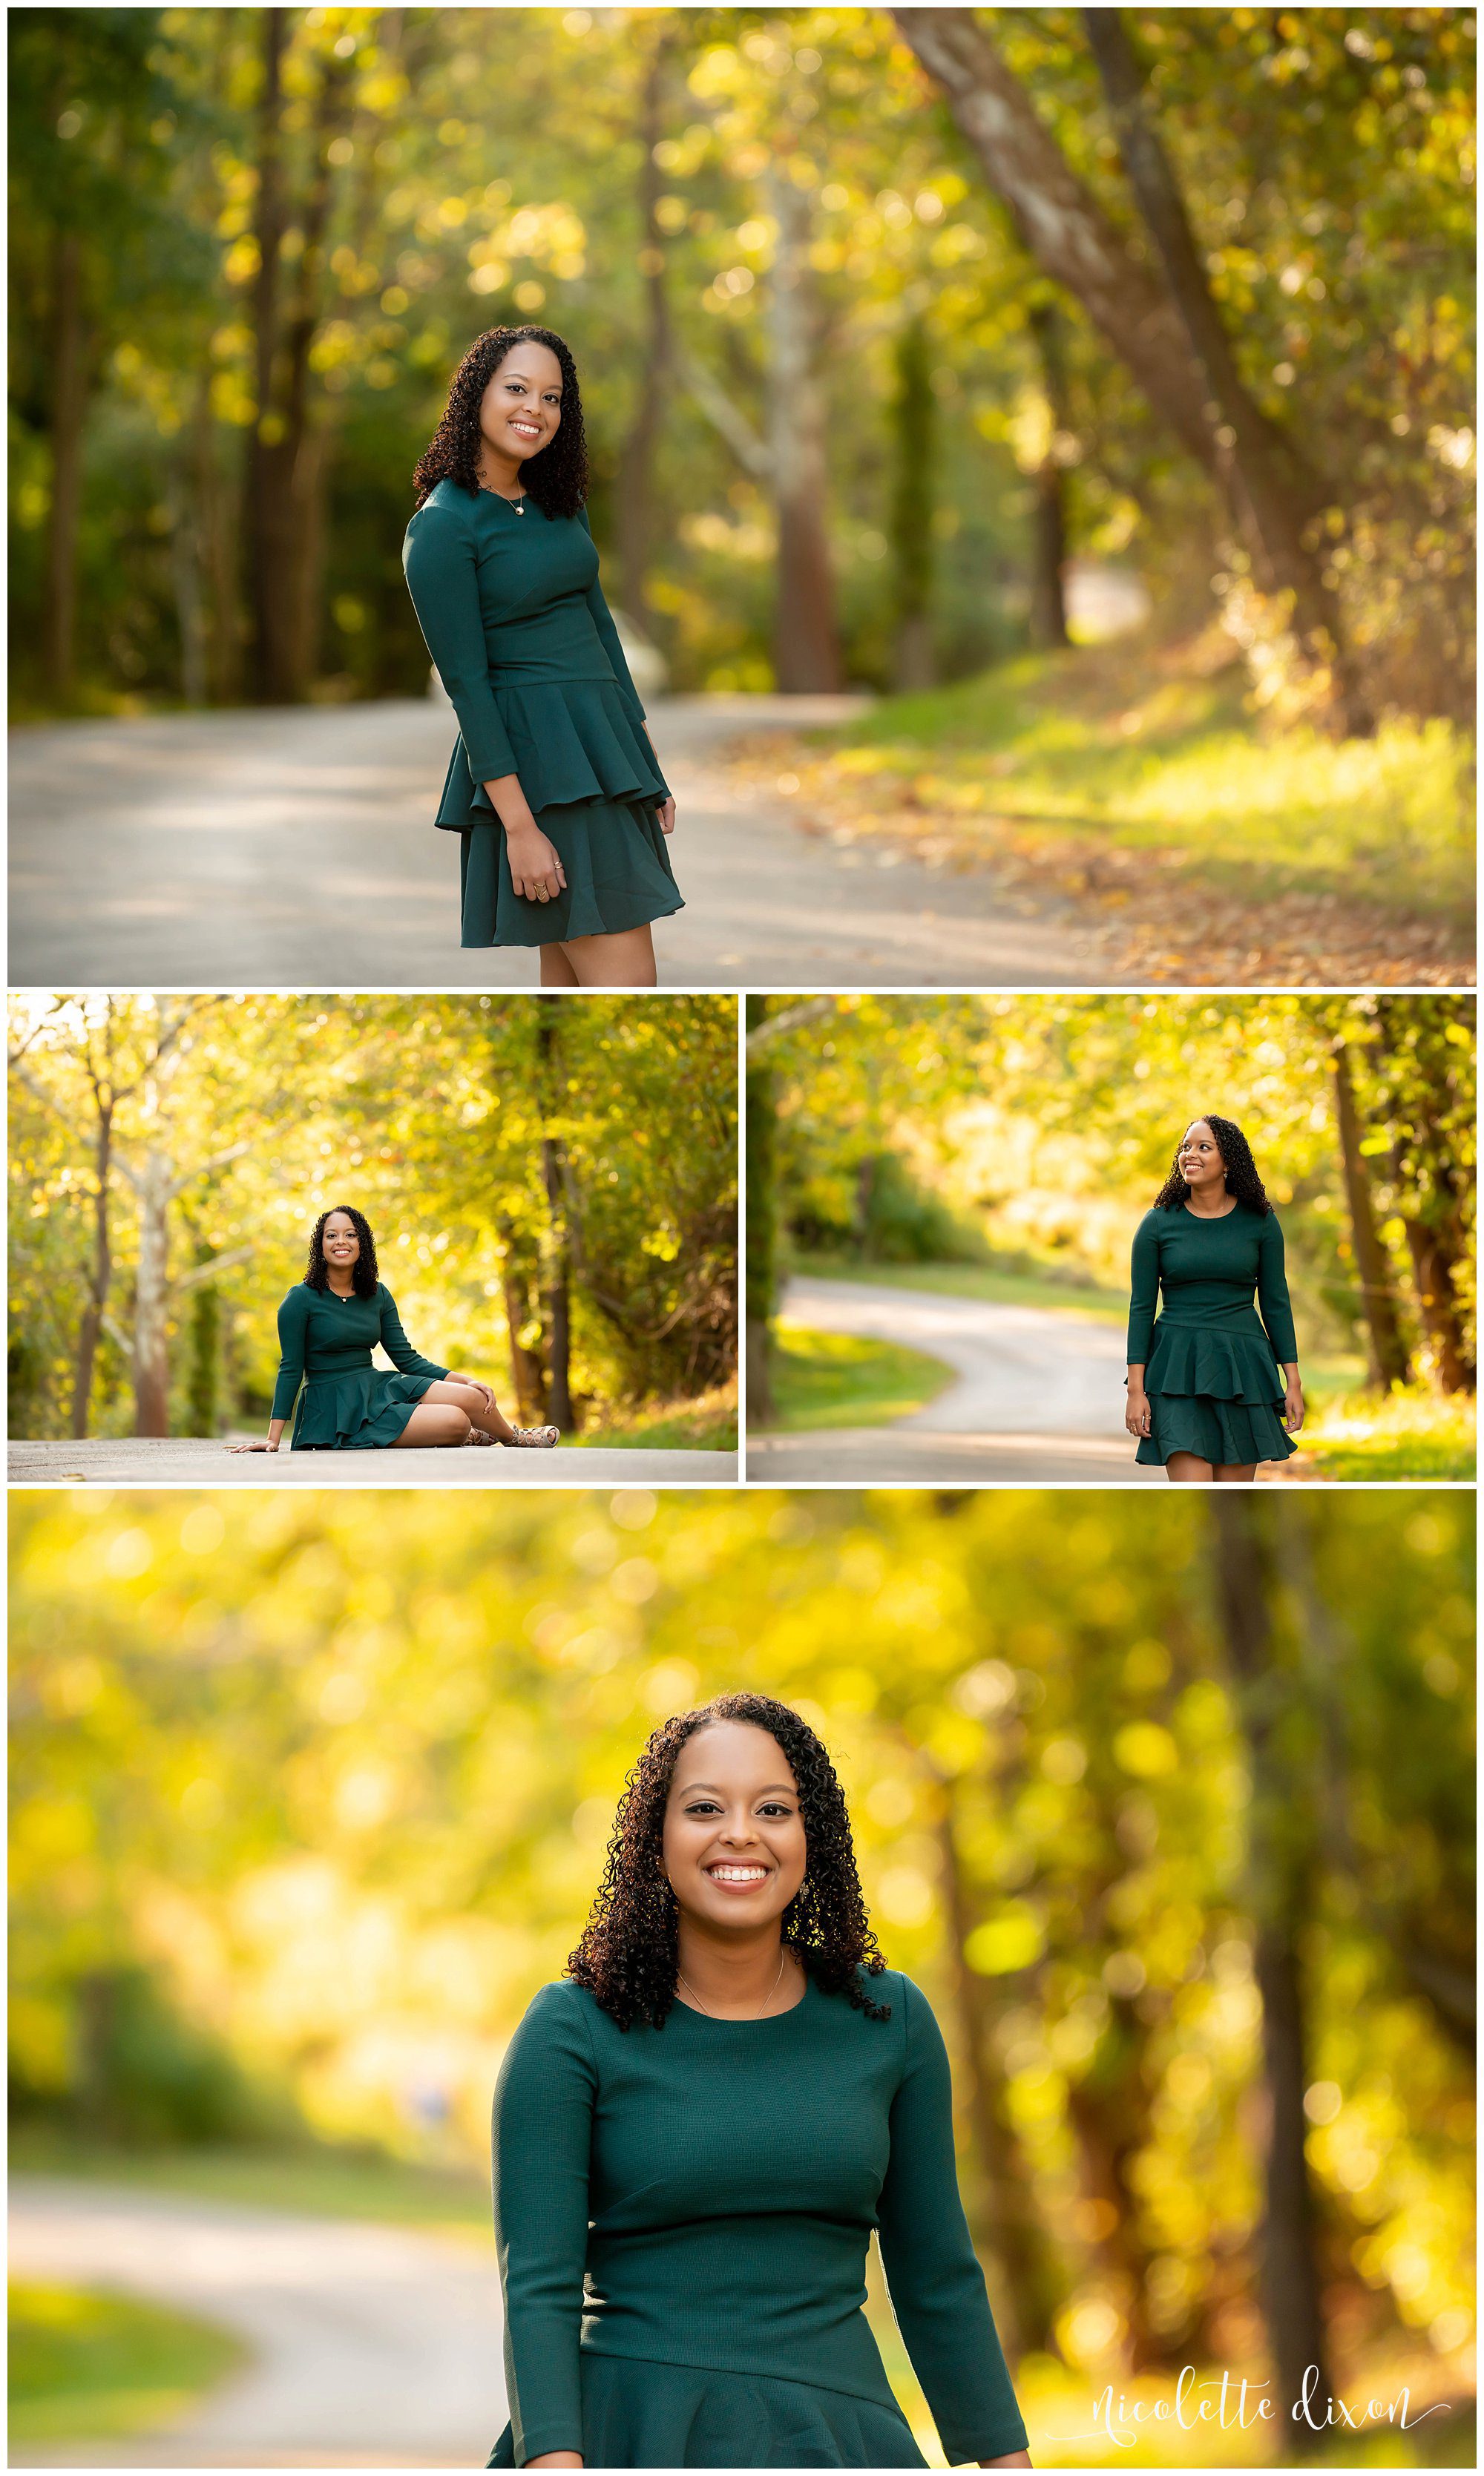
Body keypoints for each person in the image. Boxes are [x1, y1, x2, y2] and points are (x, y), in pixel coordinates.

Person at [487, 1692, 1033, 2472]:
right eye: (704, 1807)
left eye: (773, 1808)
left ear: (811, 1836)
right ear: (656, 1836)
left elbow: (936, 2273)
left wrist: (1005, 2464)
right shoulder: (571, 2029)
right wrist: (553, 2461)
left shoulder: (888, 2020)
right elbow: (536, 2286)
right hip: (629, 2435)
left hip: (840, 2438)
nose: (739, 1832)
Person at [403, 324, 682, 987]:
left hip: (604, 760)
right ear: (476, 394)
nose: (536, 409)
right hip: (538, 777)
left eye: (552, 397)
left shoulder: (563, 505)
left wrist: (643, 761)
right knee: (625, 984)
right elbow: (468, 690)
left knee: (574, 980)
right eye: (518, 389)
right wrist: (520, 829)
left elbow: (601, 634)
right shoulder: (442, 527)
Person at [226, 1207, 558, 1454]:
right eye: (332, 1235)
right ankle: (471, 1434)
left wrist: (467, 1380)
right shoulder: (300, 1299)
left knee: (470, 1398)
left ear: (362, 1243)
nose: (341, 1241)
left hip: (375, 1385)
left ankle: (512, 1436)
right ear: (320, 1245)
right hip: (332, 1406)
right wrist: (273, 1438)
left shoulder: (377, 1294)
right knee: (456, 1422)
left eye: (350, 1234)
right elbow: (290, 1368)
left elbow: (407, 1359)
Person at [1125, 1115, 1303, 1481]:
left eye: (1204, 1147)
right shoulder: (1157, 1223)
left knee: (1231, 1500)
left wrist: (1293, 1382)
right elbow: (1141, 1309)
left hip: (1244, 1371)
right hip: (1177, 1371)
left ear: (1228, 1162)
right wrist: (1136, 1390)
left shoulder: (1261, 1222)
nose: (1191, 1154)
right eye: (1186, 1147)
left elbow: (1276, 1303)